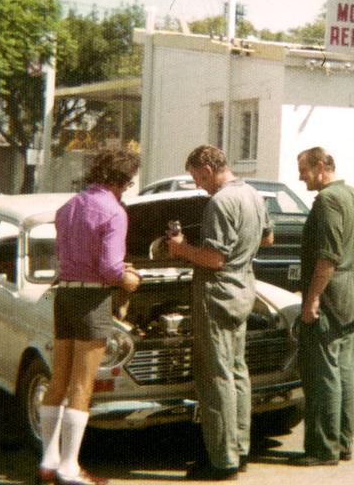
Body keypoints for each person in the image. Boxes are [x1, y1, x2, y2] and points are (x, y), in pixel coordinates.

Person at [166, 145, 273, 480]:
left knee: (215, 377)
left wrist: (180, 248)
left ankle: (221, 460)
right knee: (237, 372)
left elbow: (214, 259)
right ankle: (239, 450)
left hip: (217, 295)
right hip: (243, 290)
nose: (199, 185)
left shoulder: (220, 201)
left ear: (208, 169)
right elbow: (267, 238)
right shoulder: (253, 194)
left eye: (198, 178)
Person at [37, 149, 141, 485]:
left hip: (65, 293)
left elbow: (72, 255)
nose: (126, 188)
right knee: (83, 385)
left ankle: (48, 462)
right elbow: (110, 269)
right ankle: (69, 468)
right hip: (92, 299)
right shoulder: (114, 211)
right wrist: (130, 279)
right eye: (127, 182)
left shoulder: (68, 207)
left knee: (59, 380)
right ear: (121, 180)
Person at [291, 146, 354, 467]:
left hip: (331, 298)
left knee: (323, 374)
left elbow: (327, 258)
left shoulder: (328, 201)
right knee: (344, 372)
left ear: (319, 166)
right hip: (352, 295)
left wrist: (312, 299)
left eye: (303, 169)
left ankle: (322, 448)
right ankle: (343, 444)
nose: (300, 177)